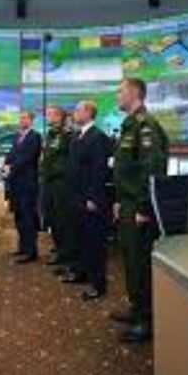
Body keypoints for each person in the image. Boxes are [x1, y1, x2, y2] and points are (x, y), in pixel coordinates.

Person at [110, 77, 169, 343]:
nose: (116, 95)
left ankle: (147, 320)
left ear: (134, 93)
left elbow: (152, 169)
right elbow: (126, 169)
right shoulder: (130, 124)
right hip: (128, 202)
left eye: (120, 91)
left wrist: (144, 207)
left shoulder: (146, 126)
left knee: (140, 262)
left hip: (139, 206)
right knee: (130, 259)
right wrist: (119, 200)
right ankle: (137, 308)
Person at [62, 101, 110, 301]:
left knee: (94, 242)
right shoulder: (77, 135)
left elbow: (99, 170)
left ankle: (98, 284)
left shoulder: (98, 137)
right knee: (79, 238)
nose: (73, 113)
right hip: (75, 196)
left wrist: (93, 197)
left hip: (89, 198)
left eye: (77, 110)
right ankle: (81, 272)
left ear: (89, 112)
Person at [3, 111, 42, 263]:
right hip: (15, 183)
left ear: (31, 120)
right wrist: (5, 165)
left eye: (24, 118)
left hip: (28, 184)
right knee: (19, 217)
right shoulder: (17, 136)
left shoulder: (35, 137)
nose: (21, 120)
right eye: (20, 118)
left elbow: (27, 158)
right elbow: (11, 154)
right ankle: (23, 247)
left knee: (28, 217)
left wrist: (11, 167)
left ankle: (31, 251)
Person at [39, 106, 73, 269]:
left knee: (62, 221)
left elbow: (67, 161)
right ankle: (59, 250)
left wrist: (53, 171)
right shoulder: (50, 134)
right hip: (48, 182)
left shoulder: (67, 135)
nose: (47, 117)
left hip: (61, 184)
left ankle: (66, 255)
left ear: (59, 117)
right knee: (52, 218)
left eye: (50, 115)